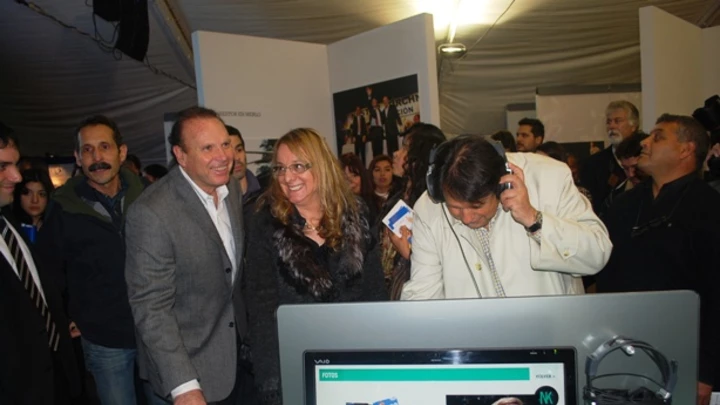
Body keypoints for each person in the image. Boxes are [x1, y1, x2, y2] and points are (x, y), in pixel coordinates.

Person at [244, 128, 387, 404]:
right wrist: (271, 385)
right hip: (296, 365)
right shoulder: (266, 223)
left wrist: (381, 358)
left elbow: (375, 293)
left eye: (298, 166)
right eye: (281, 168)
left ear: (321, 166)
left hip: (354, 361)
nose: (287, 177)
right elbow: (261, 310)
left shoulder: (357, 215)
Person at [125, 107, 255, 405]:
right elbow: (151, 308)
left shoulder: (230, 187)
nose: (223, 156)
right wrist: (183, 386)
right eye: (208, 148)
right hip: (190, 370)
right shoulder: (151, 212)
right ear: (181, 156)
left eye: (225, 144)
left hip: (238, 360)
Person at [596, 114, 720, 405]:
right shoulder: (623, 205)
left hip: (687, 355)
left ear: (686, 150)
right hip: (620, 353)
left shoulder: (710, 208)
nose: (645, 142)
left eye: (658, 137)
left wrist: (706, 373)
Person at [401, 135, 612, 299]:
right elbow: (423, 292)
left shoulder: (550, 178)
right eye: (455, 207)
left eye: (477, 206)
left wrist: (534, 219)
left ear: (502, 186)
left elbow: (597, 255)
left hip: (551, 333)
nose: (466, 218)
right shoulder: (429, 207)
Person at [38, 115, 146, 405]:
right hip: (103, 338)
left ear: (121, 152)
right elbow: (48, 272)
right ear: (77, 157)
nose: (97, 158)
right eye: (88, 150)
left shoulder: (147, 197)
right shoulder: (63, 208)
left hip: (154, 331)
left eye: (104, 147)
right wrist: (67, 317)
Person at [0, 129, 81, 405]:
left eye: (14, 164)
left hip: (54, 375)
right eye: (3, 166)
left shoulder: (9, 222)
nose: (16, 176)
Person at [380, 123, 446, 299]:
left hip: (420, 294)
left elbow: (444, 266)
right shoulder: (398, 196)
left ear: (420, 156)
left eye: (405, 148)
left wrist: (409, 255)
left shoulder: (435, 204)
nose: (396, 153)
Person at [580, 100, 641, 214]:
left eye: (617, 121)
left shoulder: (648, 156)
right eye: (608, 122)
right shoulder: (592, 164)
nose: (611, 126)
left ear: (634, 126)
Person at [13, 168, 55, 235]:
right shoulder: (7, 226)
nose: (35, 200)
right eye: (27, 193)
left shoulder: (61, 227)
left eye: (41, 194)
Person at [226, 125, 262, 204]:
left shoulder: (266, 193)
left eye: (239, 150)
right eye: (229, 153)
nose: (236, 158)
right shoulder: (218, 200)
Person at [340, 153, 379, 223]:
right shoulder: (334, 207)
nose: (350, 181)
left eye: (354, 175)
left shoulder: (376, 204)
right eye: (345, 177)